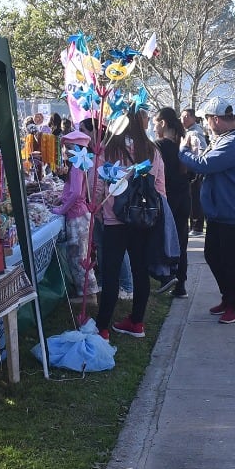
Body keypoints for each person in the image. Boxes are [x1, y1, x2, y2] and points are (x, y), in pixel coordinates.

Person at [86, 107, 165, 339]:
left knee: (110, 273)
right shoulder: (152, 150)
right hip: (143, 220)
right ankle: (137, 322)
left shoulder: (108, 151)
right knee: (141, 271)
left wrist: (98, 210)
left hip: (114, 220)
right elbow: (159, 187)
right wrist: (156, 214)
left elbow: (96, 185)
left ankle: (102, 327)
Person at [179, 105, 235, 323]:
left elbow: (205, 164)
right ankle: (228, 297)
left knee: (232, 261)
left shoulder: (234, 143)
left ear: (216, 119)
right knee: (213, 255)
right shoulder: (225, 139)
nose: (206, 124)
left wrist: (182, 152)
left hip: (231, 210)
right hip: (220, 210)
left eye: (207, 119)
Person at [53, 129, 99, 308]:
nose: (65, 152)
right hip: (80, 214)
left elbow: (75, 193)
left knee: (78, 256)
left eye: (68, 148)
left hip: (77, 216)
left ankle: (89, 295)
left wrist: (62, 209)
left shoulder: (77, 167)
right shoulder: (79, 165)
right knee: (78, 254)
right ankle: (86, 292)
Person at [153, 107, 191, 298]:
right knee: (182, 239)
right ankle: (181, 284)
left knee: (166, 238)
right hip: (184, 196)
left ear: (163, 123)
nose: (153, 128)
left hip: (168, 198)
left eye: (154, 123)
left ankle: (167, 275)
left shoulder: (159, 146)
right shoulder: (183, 144)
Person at [181, 108, 207, 235]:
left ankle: (197, 226)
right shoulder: (188, 131)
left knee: (195, 198)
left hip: (195, 169)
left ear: (193, 117)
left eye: (186, 117)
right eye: (182, 117)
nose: (183, 119)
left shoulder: (195, 132)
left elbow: (202, 149)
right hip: (190, 167)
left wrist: (198, 163)